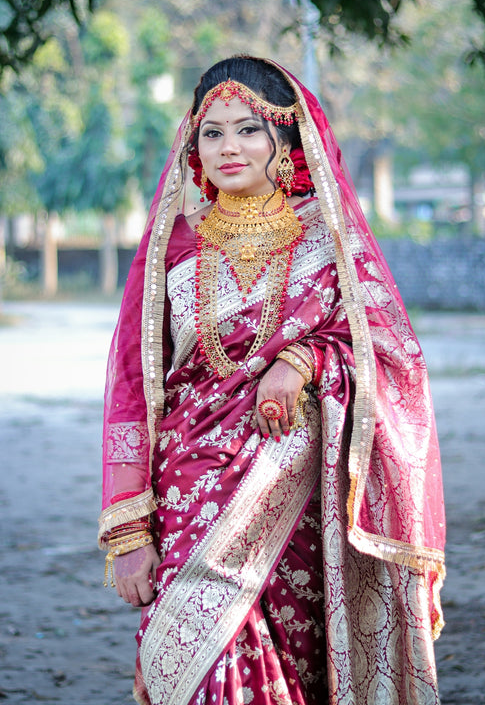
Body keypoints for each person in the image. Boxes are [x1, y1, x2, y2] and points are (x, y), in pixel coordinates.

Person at [98, 56, 445, 705]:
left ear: (285, 139)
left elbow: (389, 353)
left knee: (287, 661)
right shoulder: (173, 244)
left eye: (248, 129)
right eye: (212, 131)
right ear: (192, 144)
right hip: (185, 490)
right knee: (195, 660)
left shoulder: (328, 240)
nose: (229, 147)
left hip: (291, 501)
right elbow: (128, 385)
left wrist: (302, 361)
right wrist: (127, 529)